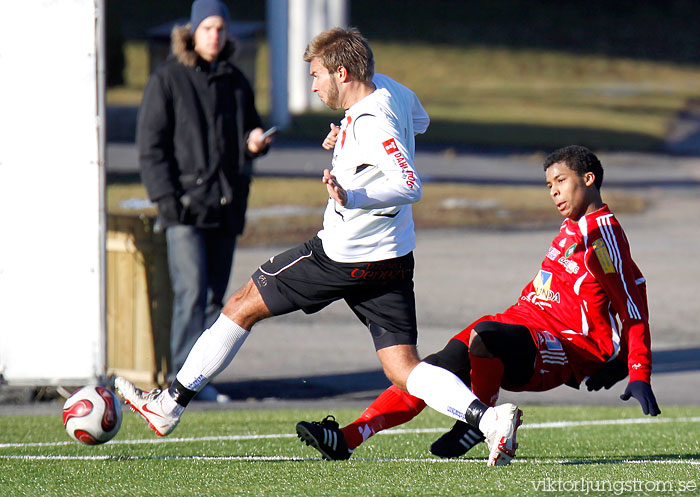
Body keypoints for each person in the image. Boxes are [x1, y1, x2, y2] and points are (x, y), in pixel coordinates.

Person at [117, 27, 523, 467]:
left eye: (315, 75)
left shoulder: (371, 119)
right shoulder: (392, 92)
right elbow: (417, 123)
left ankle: (169, 405)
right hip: (392, 255)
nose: (312, 85)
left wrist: (355, 194)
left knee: (242, 303)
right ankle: (488, 421)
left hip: (342, 256)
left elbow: (409, 184)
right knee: (402, 368)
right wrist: (349, 136)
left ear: (342, 72)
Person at [296, 145, 660, 464]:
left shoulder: (600, 235)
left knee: (486, 336)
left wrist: (636, 369)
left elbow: (632, 301)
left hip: (560, 348)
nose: (554, 192)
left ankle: (481, 424)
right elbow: (631, 280)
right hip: (523, 323)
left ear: (589, 178)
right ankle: (347, 438)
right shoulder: (574, 226)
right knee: (430, 370)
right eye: (549, 186)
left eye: (561, 181)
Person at [136, 0, 272, 401]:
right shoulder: (167, 79)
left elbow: (249, 132)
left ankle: (201, 381)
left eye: (220, 28)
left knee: (216, 299)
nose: (215, 35)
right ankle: (178, 381)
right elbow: (151, 148)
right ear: (191, 32)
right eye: (207, 27)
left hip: (225, 207)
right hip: (184, 209)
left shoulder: (235, 80)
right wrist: (168, 201)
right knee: (191, 293)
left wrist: (255, 144)